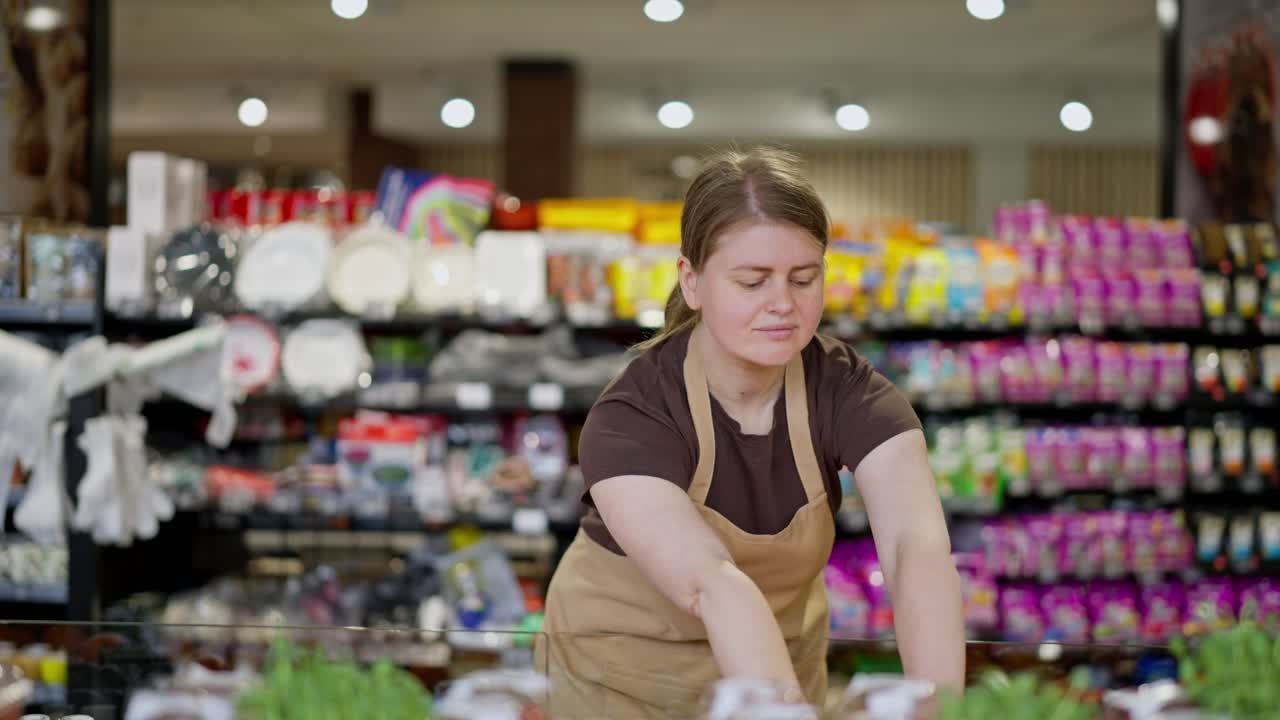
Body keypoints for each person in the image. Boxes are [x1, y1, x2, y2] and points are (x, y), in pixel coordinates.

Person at [540, 147, 965, 718]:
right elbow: (712, 583)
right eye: (752, 282)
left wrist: (941, 710)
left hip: (777, 673)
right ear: (692, 281)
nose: (782, 306)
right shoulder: (632, 414)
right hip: (624, 684)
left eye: (803, 278)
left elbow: (917, 550)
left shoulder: (848, 391)